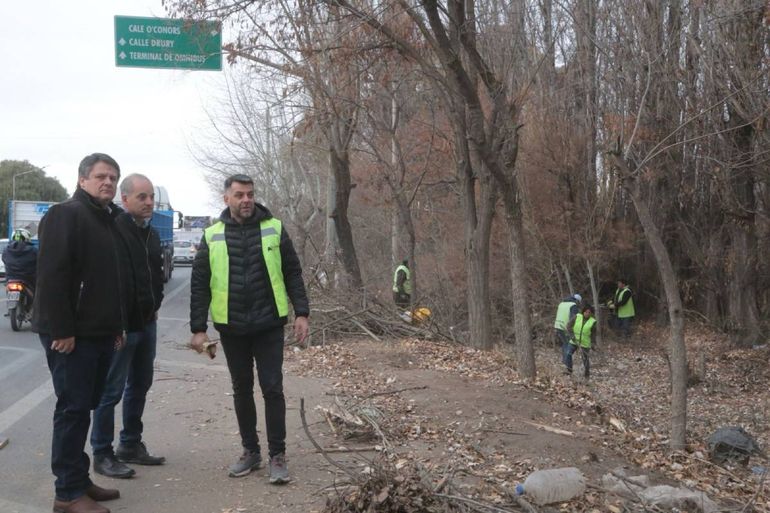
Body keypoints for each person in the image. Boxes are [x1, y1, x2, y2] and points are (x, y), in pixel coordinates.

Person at [189, 174, 309, 484]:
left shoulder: (274, 228)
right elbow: (200, 284)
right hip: (232, 327)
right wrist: (198, 329)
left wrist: (302, 313)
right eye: (240, 194)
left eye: (250, 194)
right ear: (226, 198)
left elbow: (292, 271)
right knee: (242, 389)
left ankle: (277, 455)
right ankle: (251, 452)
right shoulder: (212, 235)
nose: (246, 200)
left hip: (269, 323)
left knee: (272, 388)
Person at [33, 153, 132, 513]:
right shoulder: (66, 214)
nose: (108, 182)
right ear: (82, 180)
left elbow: (111, 282)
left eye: (113, 177)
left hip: (100, 332)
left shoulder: (108, 220)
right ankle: (68, 494)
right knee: (72, 410)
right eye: (101, 176)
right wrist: (62, 329)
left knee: (85, 407)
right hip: (71, 334)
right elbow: (52, 276)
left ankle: (80, 479)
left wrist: (116, 326)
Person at [91, 174, 166, 479]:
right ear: (125, 200)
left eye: (151, 197)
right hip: (122, 326)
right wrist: (117, 323)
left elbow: (156, 275)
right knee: (110, 391)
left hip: (146, 323)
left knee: (140, 384)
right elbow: (111, 282)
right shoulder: (115, 230)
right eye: (141, 197)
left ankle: (130, 444)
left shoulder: (151, 233)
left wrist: (155, 305)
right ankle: (102, 452)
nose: (149, 202)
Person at [565, 304, 597, 379]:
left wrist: (593, 344)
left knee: (585, 359)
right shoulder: (577, 316)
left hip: (585, 343)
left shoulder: (593, 321)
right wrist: (572, 336)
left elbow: (593, 334)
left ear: (591, 313)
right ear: (583, 312)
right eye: (586, 312)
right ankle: (569, 370)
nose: (587, 314)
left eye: (589, 312)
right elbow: (568, 326)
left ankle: (587, 374)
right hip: (574, 341)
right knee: (568, 354)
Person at [554, 293, 581, 370]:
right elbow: (573, 319)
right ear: (577, 301)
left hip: (558, 326)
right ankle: (568, 365)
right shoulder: (573, 306)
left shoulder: (562, 303)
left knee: (564, 344)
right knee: (568, 345)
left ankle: (565, 362)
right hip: (566, 327)